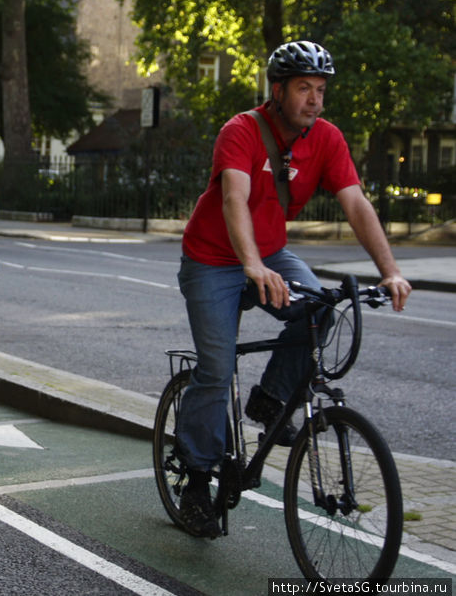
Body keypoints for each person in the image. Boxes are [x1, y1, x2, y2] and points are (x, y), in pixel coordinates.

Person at [175, 40, 412, 538]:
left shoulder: (325, 138)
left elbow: (356, 204)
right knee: (216, 370)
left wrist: (389, 270)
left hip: (271, 256)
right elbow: (234, 199)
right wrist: (252, 265)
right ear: (278, 90)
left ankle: (270, 399)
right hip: (213, 260)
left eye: (321, 89)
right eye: (304, 88)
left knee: (323, 308)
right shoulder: (241, 130)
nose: (314, 100)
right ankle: (196, 477)